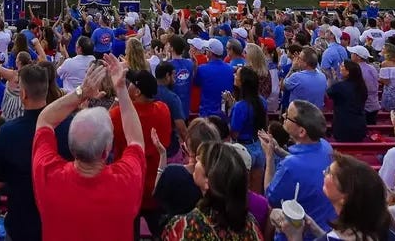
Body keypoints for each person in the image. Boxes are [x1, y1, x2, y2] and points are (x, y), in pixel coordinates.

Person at [32, 54, 145, 241]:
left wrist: (81, 92)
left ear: (71, 146)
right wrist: (121, 90)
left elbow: (45, 120)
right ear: (106, 150)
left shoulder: (48, 175)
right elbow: (135, 141)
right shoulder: (126, 180)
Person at [0, 64, 72, 241]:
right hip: (59, 222)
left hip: (21, 224)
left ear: (23, 94)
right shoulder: (69, 125)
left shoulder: (8, 132)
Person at [258, 100, 336, 241]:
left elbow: (270, 196)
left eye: (288, 117)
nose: (283, 116)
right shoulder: (326, 146)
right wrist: (279, 150)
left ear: (301, 131)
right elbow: (305, 162)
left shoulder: (290, 165)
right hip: (324, 229)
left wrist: (269, 157)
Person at [275, 154, 395, 241]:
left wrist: (294, 236)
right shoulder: (389, 235)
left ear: (345, 198)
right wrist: (317, 230)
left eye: (329, 173)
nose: (324, 173)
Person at [161, 141, 264, 240]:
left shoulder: (184, 227)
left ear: (208, 181)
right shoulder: (251, 225)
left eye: (201, 160)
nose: (196, 158)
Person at [110, 68, 171, 235]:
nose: (127, 87)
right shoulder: (163, 110)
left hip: (128, 187)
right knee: (161, 234)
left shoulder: (117, 114)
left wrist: (118, 99)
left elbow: (105, 131)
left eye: (130, 85)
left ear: (137, 92)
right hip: (155, 187)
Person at [326, 61, 367, 142]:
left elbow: (327, 95)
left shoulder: (339, 87)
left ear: (348, 71)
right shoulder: (362, 87)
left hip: (342, 128)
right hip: (360, 127)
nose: (340, 68)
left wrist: (333, 80)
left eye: (342, 66)